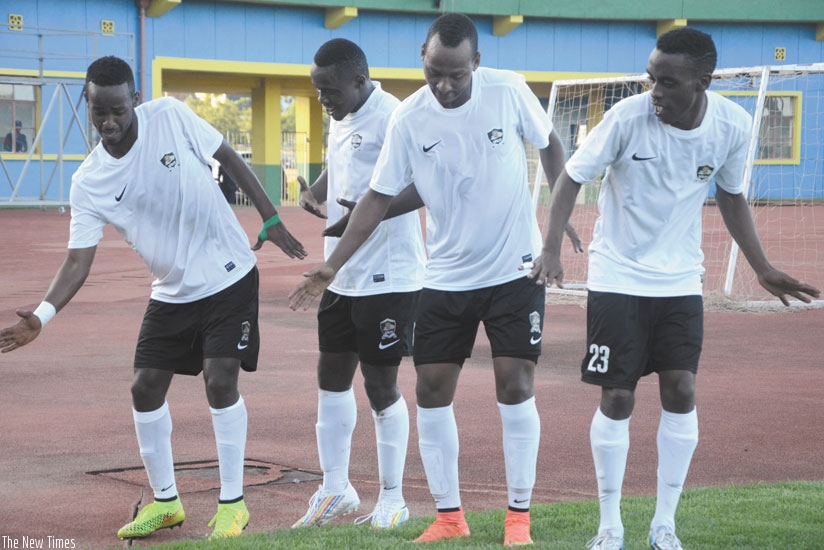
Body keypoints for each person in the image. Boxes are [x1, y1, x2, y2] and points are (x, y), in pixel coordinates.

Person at [290, 13, 581, 546]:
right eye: (434, 73)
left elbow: (551, 145)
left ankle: (518, 519)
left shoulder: (508, 91)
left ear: (477, 63)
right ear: (421, 59)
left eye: (456, 74)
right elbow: (378, 196)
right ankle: (449, 517)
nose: (444, 86)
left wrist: (557, 227)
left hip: (514, 268)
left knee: (515, 383)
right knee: (430, 389)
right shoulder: (410, 118)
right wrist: (334, 264)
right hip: (445, 274)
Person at [0, 56, 307, 541]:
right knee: (144, 387)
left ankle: (233, 505)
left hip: (228, 274)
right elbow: (77, 261)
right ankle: (166, 503)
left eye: (118, 110)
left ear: (136, 100)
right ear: (87, 103)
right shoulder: (89, 181)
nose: (109, 122)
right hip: (171, 290)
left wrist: (269, 217)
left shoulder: (170, 116)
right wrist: (41, 315)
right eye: (99, 111)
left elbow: (227, 155)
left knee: (219, 380)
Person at [538, 27, 821, 550]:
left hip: (680, 279)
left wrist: (761, 267)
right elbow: (571, 177)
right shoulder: (626, 118)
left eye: (666, 82)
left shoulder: (733, 126)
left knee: (682, 390)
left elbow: (731, 195)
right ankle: (609, 527)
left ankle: (664, 525)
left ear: (702, 83)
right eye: (651, 79)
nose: (655, 92)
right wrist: (551, 248)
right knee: (617, 394)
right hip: (617, 274)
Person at [285, 38, 426, 530]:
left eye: (330, 91)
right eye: (318, 91)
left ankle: (393, 499)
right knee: (331, 376)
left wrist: (370, 211)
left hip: (389, 274)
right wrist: (317, 191)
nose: (323, 99)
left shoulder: (395, 116)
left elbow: (423, 184)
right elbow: (343, 159)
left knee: (380, 384)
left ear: (360, 81)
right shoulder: (341, 112)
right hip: (341, 273)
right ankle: (335, 489)